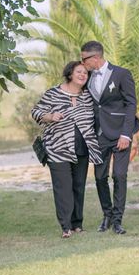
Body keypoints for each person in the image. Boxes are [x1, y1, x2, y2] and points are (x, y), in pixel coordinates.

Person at [32, 61, 103, 238]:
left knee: (78, 187)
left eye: (86, 73)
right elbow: (36, 111)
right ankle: (66, 227)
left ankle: (77, 224)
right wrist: (50, 116)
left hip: (83, 148)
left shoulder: (88, 95)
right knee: (63, 188)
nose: (83, 75)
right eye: (79, 72)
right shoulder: (53, 93)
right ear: (70, 73)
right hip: (58, 148)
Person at [80, 41, 139, 234]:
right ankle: (107, 214)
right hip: (99, 135)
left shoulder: (122, 74)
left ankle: (117, 220)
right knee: (99, 177)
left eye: (84, 59)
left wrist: (126, 133)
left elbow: (131, 104)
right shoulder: (86, 77)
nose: (82, 62)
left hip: (120, 133)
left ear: (95, 57)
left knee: (119, 175)